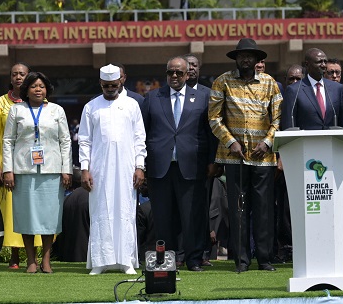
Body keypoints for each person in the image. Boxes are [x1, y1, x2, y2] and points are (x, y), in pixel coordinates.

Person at [208, 38, 282, 272]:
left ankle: (265, 259)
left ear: (257, 59)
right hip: (234, 157)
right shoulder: (222, 81)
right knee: (239, 209)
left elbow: (278, 118)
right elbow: (214, 118)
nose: (246, 59)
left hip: (264, 157)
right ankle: (241, 260)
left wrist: (268, 142)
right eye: (242, 56)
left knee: (263, 210)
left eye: (250, 56)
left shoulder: (270, 83)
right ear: (236, 59)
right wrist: (230, 142)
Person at [140, 56, 215, 271]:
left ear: (187, 74)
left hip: (192, 166)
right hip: (160, 167)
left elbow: (210, 133)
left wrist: (212, 161)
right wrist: (142, 164)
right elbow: (143, 133)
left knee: (192, 216)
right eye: (170, 72)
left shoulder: (202, 97)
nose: (174, 76)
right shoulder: (153, 97)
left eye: (179, 73)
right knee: (163, 218)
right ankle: (167, 260)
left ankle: (193, 259)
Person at [1, 72, 72, 274]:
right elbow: (8, 141)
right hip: (23, 170)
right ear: (26, 90)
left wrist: (66, 170)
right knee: (27, 216)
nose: (38, 89)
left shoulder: (57, 110)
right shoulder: (17, 110)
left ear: (47, 89)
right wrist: (8, 170)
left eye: (41, 86)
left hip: (52, 170)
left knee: (50, 217)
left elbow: (65, 141)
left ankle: (47, 259)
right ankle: (31, 260)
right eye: (33, 86)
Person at [79, 64, 147, 275]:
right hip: (99, 168)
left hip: (127, 167)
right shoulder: (91, 107)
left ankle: (126, 260)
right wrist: (84, 169)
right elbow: (84, 140)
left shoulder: (132, 105)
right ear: (100, 83)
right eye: (106, 85)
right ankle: (101, 261)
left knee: (125, 211)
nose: (110, 88)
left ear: (121, 82)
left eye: (114, 85)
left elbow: (139, 138)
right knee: (100, 211)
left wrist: (140, 166)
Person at [0, 63, 40, 269]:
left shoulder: (40, 102)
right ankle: (14, 255)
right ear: (10, 78)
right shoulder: (1, 103)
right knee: (12, 211)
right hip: (9, 164)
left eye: (22, 74)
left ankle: (35, 256)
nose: (18, 77)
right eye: (15, 74)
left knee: (34, 209)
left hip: (34, 164)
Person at [282, 47, 343, 130]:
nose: (324, 65)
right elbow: (288, 125)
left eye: (325, 61)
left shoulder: (337, 88)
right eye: (319, 62)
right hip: (305, 141)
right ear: (307, 65)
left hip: (332, 141)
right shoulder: (294, 90)